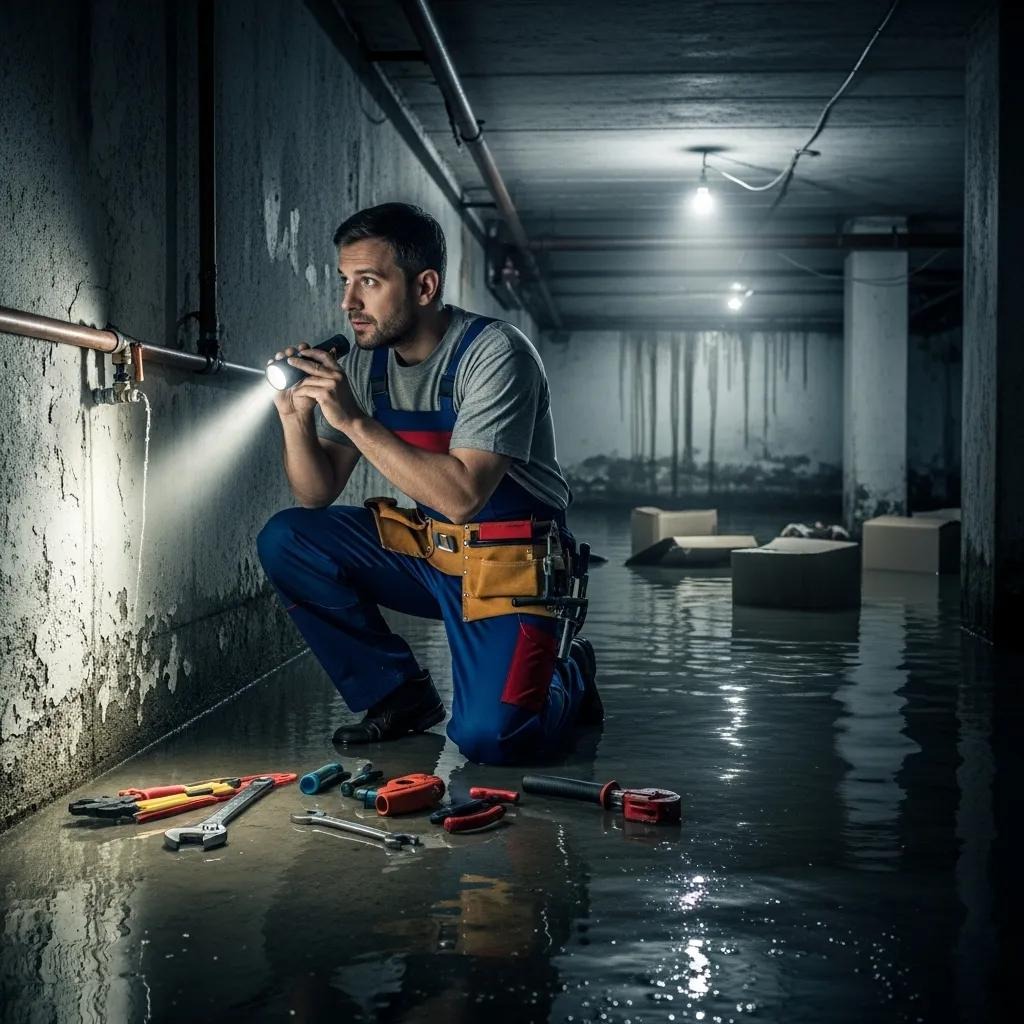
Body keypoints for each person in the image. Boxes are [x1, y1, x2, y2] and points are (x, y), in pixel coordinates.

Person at [256, 203, 600, 765]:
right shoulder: (367, 365)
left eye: (369, 282)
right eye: (345, 281)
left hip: (511, 569)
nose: (348, 303)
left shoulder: (494, 354)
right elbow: (315, 493)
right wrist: (295, 419)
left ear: (424, 287)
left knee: (493, 739)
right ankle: (400, 696)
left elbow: (463, 497)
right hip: (432, 556)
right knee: (288, 538)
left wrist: (354, 421)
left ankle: (571, 672)